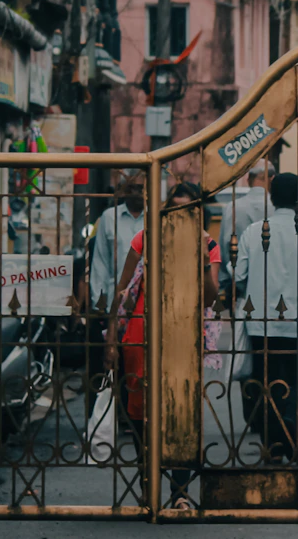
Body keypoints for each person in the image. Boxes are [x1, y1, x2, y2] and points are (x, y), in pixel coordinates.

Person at [232, 172, 298, 462]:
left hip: (260, 323)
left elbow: (239, 275)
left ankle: (274, 444)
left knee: (266, 382)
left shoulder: (254, 232)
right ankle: (291, 420)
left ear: (271, 198)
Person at [108, 182, 222, 438]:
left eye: (188, 210)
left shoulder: (209, 245)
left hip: (184, 335)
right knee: (140, 409)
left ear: (198, 213)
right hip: (141, 333)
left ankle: (178, 475)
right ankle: (147, 468)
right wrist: (111, 338)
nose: (181, 216)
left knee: (180, 408)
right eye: (175, 209)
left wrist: (203, 263)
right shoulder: (147, 237)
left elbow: (209, 299)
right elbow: (122, 289)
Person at [83, 170, 147, 314]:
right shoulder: (109, 217)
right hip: (115, 301)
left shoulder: (157, 218)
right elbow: (101, 262)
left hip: (148, 301)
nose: (136, 193)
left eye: (140, 188)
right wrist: (99, 301)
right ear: (124, 191)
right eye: (131, 188)